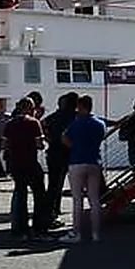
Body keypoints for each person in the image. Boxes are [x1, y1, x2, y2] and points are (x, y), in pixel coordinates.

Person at [61, 95, 106, 244]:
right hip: (94, 161)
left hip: (77, 162)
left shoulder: (76, 123)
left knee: (77, 199)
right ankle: (96, 233)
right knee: (94, 200)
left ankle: (77, 232)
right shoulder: (100, 124)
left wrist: (75, 147)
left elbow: (64, 138)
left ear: (81, 106)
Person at [3, 98, 49, 237]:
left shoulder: (10, 124)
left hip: (15, 164)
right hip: (30, 163)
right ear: (31, 108)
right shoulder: (34, 123)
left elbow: (4, 145)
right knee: (39, 194)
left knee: (20, 194)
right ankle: (38, 226)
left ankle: (20, 227)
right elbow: (39, 145)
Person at [41, 92, 78, 231]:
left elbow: (42, 124)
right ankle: (52, 213)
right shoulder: (74, 116)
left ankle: (52, 212)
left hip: (54, 153)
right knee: (61, 185)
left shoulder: (55, 116)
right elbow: (94, 120)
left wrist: (48, 137)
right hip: (70, 154)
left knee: (54, 185)